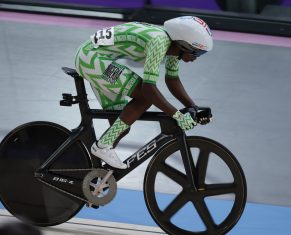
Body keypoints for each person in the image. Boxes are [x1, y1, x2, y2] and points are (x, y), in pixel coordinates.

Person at [74, 16, 213, 169]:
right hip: (91, 59)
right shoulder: (159, 41)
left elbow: (172, 79)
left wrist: (193, 107)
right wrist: (177, 116)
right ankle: (102, 146)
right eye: (197, 53)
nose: (196, 58)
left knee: (120, 126)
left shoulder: (174, 48)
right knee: (145, 98)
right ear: (185, 45)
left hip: (94, 57)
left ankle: (93, 173)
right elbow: (148, 89)